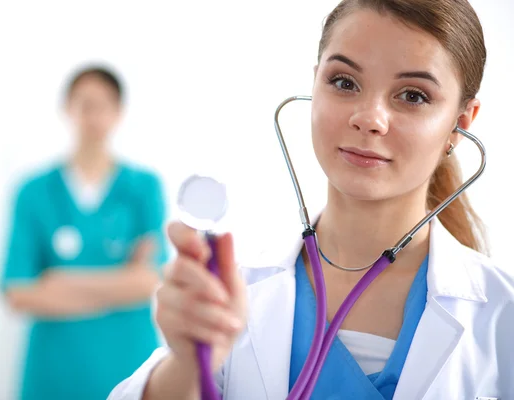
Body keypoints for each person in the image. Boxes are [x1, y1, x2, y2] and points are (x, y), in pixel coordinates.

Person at [107, 0, 514, 399]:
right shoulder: (234, 291)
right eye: (344, 82)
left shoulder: (501, 314)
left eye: (412, 95)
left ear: (459, 125)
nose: (369, 118)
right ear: (315, 84)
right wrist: (188, 363)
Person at [0, 65, 169, 400]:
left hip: (128, 365)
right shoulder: (33, 192)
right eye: (84, 105)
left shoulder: (142, 189)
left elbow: (148, 281)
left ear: (118, 112)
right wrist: (120, 281)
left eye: (103, 105)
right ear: (67, 108)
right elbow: (18, 292)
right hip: (54, 373)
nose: (94, 117)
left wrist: (58, 281)